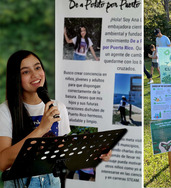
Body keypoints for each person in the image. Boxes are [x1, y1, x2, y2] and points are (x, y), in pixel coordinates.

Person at [0, 50, 111, 187]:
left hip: (52, 181)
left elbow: (63, 153)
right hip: (20, 183)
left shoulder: (58, 106)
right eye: (26, 72)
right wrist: (41, 128)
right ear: (15, 77)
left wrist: (95, 152)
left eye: (37, 67)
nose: (35, 75)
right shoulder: (5, 111)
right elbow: (2, 162)